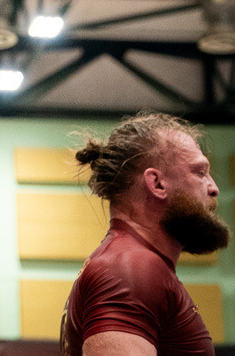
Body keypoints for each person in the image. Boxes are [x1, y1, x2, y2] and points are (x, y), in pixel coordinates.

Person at [61, 111, 230, 355]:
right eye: (200, 173)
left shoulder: (132, 264)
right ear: (157, 184)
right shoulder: (129, 268)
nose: (213, 188)